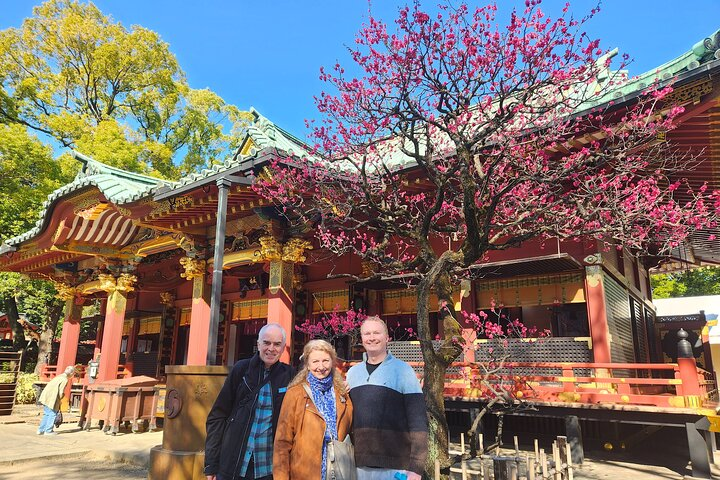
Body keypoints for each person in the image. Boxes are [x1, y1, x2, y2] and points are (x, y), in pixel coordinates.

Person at [204, 323, 294, 480]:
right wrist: (211, 463)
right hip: (235, 461)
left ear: (283, 347)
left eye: (277, 344)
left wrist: (341, 384)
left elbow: (314, 384)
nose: (271, 349)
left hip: (269, 466)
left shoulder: (289, 375)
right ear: (258, 344)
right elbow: (218, 415)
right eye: (266, 343)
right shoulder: (241, 370)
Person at [346, 316, 428, 480]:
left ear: (387, 338)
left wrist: (416, 467)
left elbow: (418, 421)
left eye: (377, 333)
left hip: (395, 465)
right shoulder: (353, 373)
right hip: (358, 463)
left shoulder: (403, 371)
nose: (372, 338)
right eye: (367, 333)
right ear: (361, 339)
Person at [273, 339, 353, 480]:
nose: (321, 366)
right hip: (305, 471)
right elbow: (282, 441)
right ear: (308, 365)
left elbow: (350, 429)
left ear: (333, 362)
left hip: (337, 470)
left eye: (325, 361)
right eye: (315, 361)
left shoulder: (341, 392)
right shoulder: (295, 394)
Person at [37, 365, 75, 435]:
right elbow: (61, 392)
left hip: (46, 396)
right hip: (52, 398)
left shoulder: (59, 376)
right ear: (71, 373)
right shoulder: (65, 379)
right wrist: (61, 398)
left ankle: (41, 429)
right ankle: (48, 430)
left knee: (46, 414)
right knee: (52, 414)